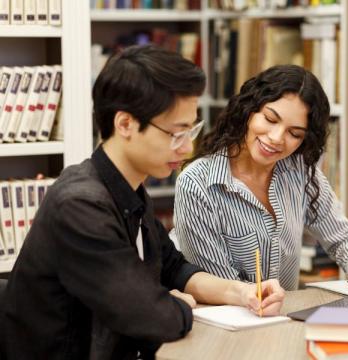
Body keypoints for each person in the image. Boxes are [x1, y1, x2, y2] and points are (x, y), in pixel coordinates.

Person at [0, 45, 284, 360]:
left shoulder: (127, 188)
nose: (188, 148)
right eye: (177, 134)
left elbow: (174, 268)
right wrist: (174, 303)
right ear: (125, 125)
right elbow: (150, 316)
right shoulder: (80, 205)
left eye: (191, 131)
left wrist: (242, 292)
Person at [173, 64, 348, 291]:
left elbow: (342, 237)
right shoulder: (196, 184)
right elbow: (219, 287)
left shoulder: (299, 170)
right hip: (227, 320)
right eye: (271, 119)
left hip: (282, 319)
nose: (276, 138)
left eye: (294, 133)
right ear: (249, 111)